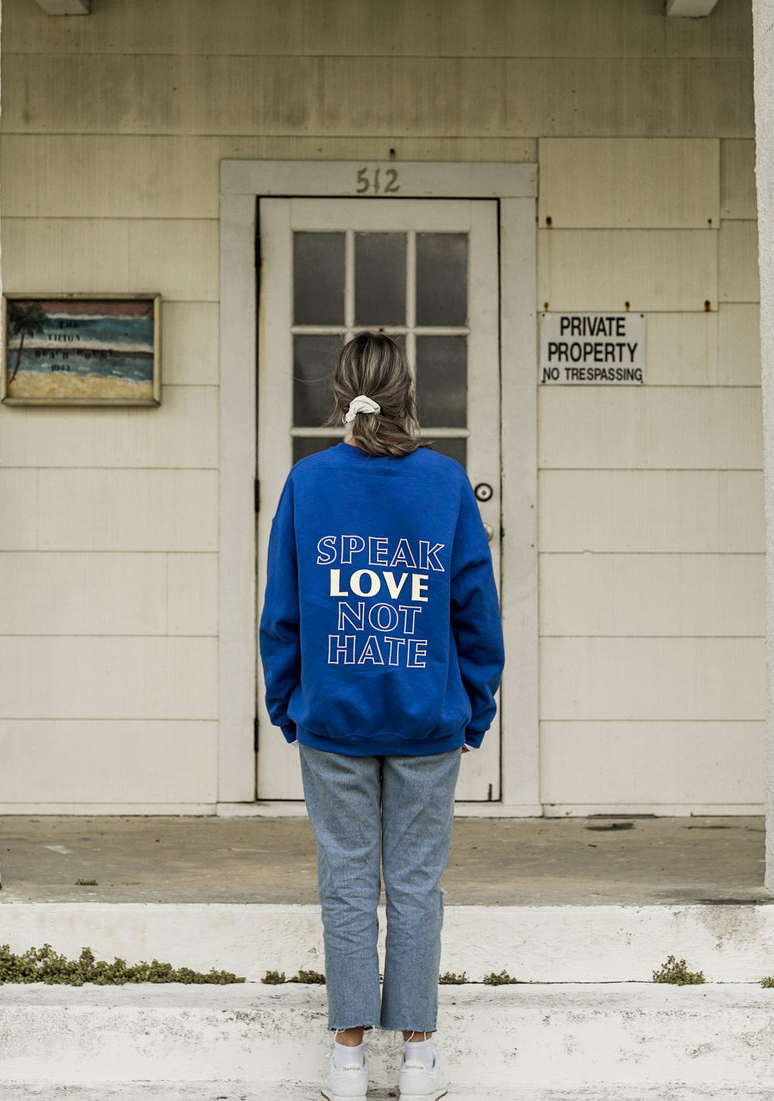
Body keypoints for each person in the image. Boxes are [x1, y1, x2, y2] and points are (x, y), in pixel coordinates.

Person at [260, 331, 505, 1101]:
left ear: (339, 396)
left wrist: (286, 701)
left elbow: (283, 611)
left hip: (333, 718)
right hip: (428, 718)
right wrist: (476, 705)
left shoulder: (307, 481)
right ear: (409, 397)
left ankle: (346, 1058)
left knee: (345, 879)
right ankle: (422, 1057)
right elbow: (475, 607)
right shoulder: (445, 481)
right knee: (415, 883)